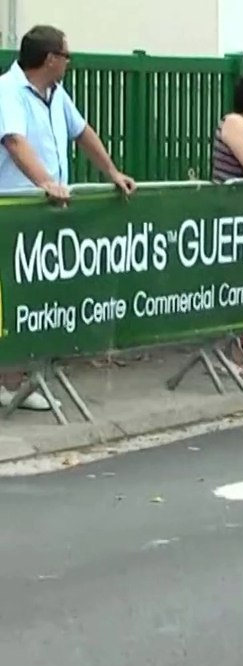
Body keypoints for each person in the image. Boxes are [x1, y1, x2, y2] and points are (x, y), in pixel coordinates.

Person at [0, 24, 135, 410]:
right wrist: (46, 181)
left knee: (39, 296)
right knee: (16, 298)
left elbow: (82, 131)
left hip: (46, 214)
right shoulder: (8, 90)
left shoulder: (56, 93)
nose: (69, 62)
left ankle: (21, 377)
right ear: (49, 59)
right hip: (14, 212)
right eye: (66, 55)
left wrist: (111, 170)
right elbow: (14, 140)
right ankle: (10, 382)